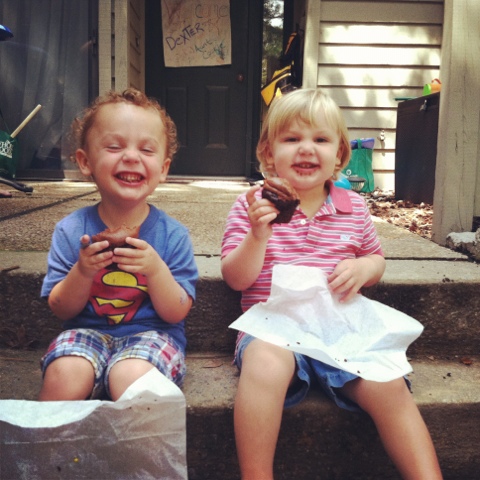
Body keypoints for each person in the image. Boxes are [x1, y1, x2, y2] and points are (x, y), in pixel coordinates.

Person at [221, 88, 442, 479]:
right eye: (292, 138)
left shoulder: (353, 207)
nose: (306, 149)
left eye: (320, 140)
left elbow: (376, 258)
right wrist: (257, 235)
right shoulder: (252, 205)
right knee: (264, 365)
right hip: (273, 326)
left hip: (339, 327)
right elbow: (235, 278)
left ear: (339, 154)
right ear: (269, 153)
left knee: (388, 383)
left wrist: (364, 268)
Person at [39, 88, 198, 401]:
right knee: (64, 375)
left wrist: (155, 270)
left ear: (163, 169)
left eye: (146, 149)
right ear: (85, 161)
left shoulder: (173, 236)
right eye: (114, 146)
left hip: (153, 336)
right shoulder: (71, 231)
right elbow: (60, 308)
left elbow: (177, 311)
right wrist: (83, 271)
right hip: (84, 334)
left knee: (133, 377)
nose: (131, 157)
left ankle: (138, 435)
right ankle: (51, 435)